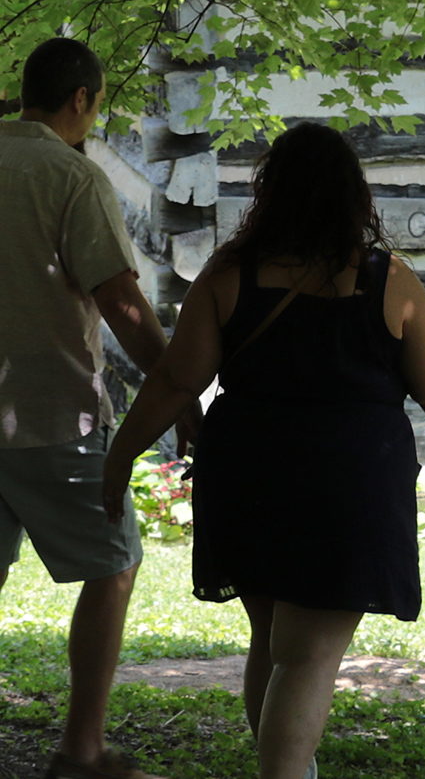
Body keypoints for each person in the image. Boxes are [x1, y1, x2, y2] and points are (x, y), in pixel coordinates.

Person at [103, 123, 425, 779]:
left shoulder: (229, 275)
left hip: (247, 477)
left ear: (270, 194)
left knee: (276, 647)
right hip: (347, 486)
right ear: (352, 198)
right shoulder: (389, 282)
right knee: (305, 658)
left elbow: (175, 381)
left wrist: (119, 457)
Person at [0, 38, 199, 779]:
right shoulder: (68, 174)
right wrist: (173, 387)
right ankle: (80, 751)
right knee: (113, 566)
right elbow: (119, 298)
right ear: (80, 99)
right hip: (52, 412)